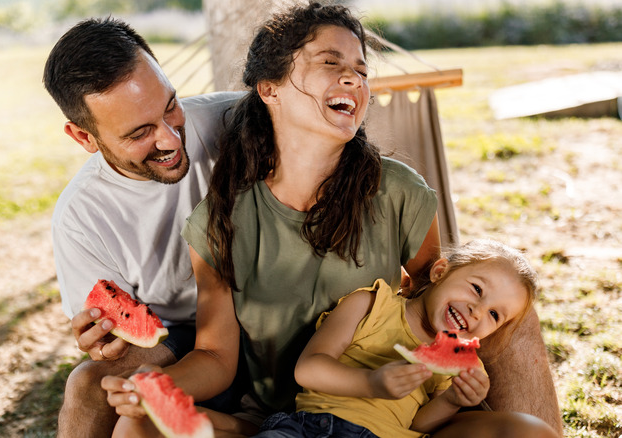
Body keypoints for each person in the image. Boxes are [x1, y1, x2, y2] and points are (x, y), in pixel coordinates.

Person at [104, 3, 560, 437]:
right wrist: (155, 383)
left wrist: (457, 389)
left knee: (530, 433)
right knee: (135, 425)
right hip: (280, 419)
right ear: (270, 89)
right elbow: (215, 355)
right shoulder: (220, 222)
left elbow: (432, 296)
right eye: (330, 61)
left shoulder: (400, 191)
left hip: (389, 419)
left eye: (362, 70)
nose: (353, 77)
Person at [42, 17, 242, 437]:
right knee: (86, 384)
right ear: (84, 137)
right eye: (140, 133)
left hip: (269, 310)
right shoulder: (80, 218)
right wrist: (104, 337)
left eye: (170, 105)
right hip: (181, 336)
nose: (171, 139)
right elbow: (111, 337)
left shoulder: (235, 120)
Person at [255, 239, 558, 438]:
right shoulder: (371, 304)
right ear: (440, 271)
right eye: (477, 289)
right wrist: (370, 383)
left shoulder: (462, 367)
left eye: (494, 315)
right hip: (309, 428)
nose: (478, 312)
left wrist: (453, 400)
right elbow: (307, 369)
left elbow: (419, 425)